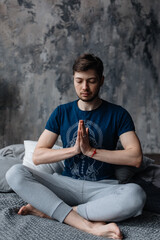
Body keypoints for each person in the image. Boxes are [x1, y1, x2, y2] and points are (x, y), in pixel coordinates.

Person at [6, 53, 146, 239]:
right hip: (66, 185)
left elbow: (135, 158)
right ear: (73, 79)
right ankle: (88, 225)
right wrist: (73, 150)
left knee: (136, 195)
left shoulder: (118, 114)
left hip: (102, 189)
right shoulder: (61, 112)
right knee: (15, 173)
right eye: (79, 81)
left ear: (101, 80)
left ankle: (53, 212)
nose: (84, 87)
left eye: (91, 81)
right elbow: (38, 156)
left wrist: (91, 151)